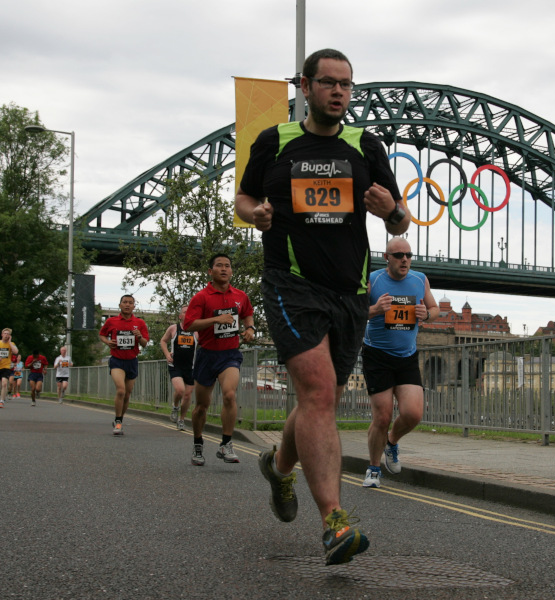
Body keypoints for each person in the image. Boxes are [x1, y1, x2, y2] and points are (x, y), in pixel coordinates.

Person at [235, 48, 408, 565]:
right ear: (304, 88)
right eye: (328, 83)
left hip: (350, 291)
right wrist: (258, 214)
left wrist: (392, 211)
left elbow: (400, 221)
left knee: (322, 398)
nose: (339, 92)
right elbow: (242, 200)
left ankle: (278, 467)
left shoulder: (365, 145)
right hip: (292, 284)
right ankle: (335, 522)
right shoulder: (276, 141)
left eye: (347, 85)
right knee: (317, 392)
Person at [361, 237, 439, 488]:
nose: (404, 259)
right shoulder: (372, 280)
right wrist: (374, 309)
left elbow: (435, 308)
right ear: (386, 257)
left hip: (407, 356)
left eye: (408, 254)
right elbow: (353, 310)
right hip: (377, 355)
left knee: (413, 414)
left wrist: (426, 314)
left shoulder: (419, 279)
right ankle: (373, 469)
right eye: (398, 255)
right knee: (382, 417)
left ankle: (391, 442)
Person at [183, 254, 255, 466]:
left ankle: (226, 443)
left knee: (229, 395)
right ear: (210, 271)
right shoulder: (201, 297)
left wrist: (250, 328)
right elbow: (189, 325)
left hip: (230, 354)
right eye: (219, 266)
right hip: (207, 354)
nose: (224, 269)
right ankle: (198, 443)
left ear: (232, 271)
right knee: (202, 407)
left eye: (228, 266)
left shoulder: (241, 296)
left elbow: (248, 314)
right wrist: (216, 319)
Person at [99, 294, 150, 435]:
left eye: (130, 302)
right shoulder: (112, 321)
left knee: (127, 395)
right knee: (120, 390)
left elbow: (145, 344)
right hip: (117, 360)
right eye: (125, 302)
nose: (127, 305)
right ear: (120, 305)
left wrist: (139, 337)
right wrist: (107, 342)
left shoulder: (140, 323)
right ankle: (118, 421)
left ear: (134, 306)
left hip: (132, 361)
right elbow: (102, 334)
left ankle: (120, 418)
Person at [159, 305, 197, 431]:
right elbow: (163, 341)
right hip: (175, 365)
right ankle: (175, 406)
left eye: (190, 312)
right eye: (185, 312)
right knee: (180, 390)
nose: (188, 314)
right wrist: (167, 354)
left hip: (190, 367)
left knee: (187, 396)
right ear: (180, 316)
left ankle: (181, 420)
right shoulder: (173, 328)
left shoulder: (197, 331)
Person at [0, 328, 19, 408]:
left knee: (4, 384)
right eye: (5, 333)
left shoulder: (11, 344)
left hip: (6, 366)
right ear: (2, 334)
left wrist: (10, 342)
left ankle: (1, 401)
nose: (6, 335)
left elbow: (16, 352)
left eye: (8, 334)